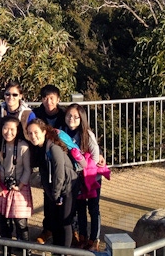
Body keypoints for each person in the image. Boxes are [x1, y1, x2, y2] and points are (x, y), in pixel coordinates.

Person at [25, 119, 78, 249]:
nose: (33, 136)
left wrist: (56, 194)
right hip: (55, 189)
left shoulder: (53, 147)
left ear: (44, 132)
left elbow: (59, 172)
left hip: (68, 186)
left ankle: (64, 252)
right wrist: (52, 195)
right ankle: (57, 249)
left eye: (36, 132)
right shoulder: (39, 148)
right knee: (55, 222)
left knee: (65, 222)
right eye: (30, 133)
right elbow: (44, 174)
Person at [60, 103, 105, 251]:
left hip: (91, 177)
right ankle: (83, 237)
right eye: (69, 116)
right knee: (79, 208)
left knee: (93, 208)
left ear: (82, 118)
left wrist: (81, 163)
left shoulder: (87, 135)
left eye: (76, 117)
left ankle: (94, 238)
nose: (71, 119)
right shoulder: (62, 132)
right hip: (75, 178)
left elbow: (96, 156)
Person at [0, 116, 33, 253]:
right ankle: (6, 248)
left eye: (12, 129)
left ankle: (24, 248)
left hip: (20, 186)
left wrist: (20, 185)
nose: (8, 132)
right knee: (3, 221)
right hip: (2, 185)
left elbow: (28, 169)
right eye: (5, 128)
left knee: (20, 221)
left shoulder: (23, 147)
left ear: (18, 130)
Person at [31, 84, 64, 244]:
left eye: (52, 98)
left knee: (68, 194)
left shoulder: (64, 115)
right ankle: (48, 228)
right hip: (43, 158)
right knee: (48, 194)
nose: (48, 101)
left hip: (63, 158)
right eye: (45, 98)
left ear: (58, 99)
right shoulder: (36, 114)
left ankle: (71, 229)